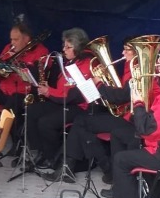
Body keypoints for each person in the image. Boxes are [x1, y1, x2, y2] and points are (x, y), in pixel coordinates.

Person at [100, 36, 160, 198]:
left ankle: (131, 196)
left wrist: (138, 103)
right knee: (120, 134)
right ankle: (126, 187)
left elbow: (151, 129)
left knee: (129, 147)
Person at [44, 37, 136, 183]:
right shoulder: (129, 66)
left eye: (127, 49)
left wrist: (99, 84)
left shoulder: (135, 69)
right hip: (124, 114)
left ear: (136, 52)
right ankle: (72, 167)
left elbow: (122, 96)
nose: (122, 52)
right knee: (81, 123)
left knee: (82, 123)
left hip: (130, 119)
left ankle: (103, 167)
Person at [28, 27, 92, 170]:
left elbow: (72, 96)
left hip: (79, 107)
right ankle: (41, 152)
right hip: (62, 100)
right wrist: (47, 89)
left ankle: (53, 158)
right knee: (32, 111)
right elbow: (63, 89)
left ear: (79, 47)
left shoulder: (86, 64)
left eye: (68, 47)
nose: (64, 49)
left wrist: (49, 92)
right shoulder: (70, 61)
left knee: (46, 123)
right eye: (64, 46)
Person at [0, 23, 48, 146]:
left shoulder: (41, 51)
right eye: (11, 39)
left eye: (16, 39)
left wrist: (17, 62)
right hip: (5, 90)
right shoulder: (8, 48)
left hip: (24, 94)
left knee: (13, 101)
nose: (12, 43)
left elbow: (39, 77)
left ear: (26, 39)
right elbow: (0, 75)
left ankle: (16, 143)